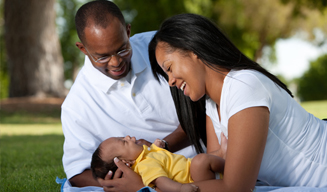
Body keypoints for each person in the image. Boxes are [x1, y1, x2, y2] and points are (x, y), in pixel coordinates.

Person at [146, 13, 327, 191]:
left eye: (169, 68)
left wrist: (163, 188)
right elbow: (212, 170)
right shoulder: (212, 104)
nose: (170, 81)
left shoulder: (244, 86)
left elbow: (235, 187)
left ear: (193, 50)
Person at [61, 1, 201, 188]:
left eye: (122, 49)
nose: (116, 62)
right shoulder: (77, 106)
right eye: (102, 57)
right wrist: (140, 179)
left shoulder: (161, 49)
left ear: (128, 32)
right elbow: (77, 174)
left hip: (205, 160)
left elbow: (202, 111)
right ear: (83, 49)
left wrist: (157, 150)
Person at [91, 136, 224, 192]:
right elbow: (161, 181)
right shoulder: (144, 165)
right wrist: (181, 189)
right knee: (201, 161)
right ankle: (230, 167)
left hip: (191, 171)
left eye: (123, 137)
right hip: (191, 180)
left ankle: (224, 159)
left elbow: (157, 157)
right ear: (126, 162)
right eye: (124, 142)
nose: (129, 137)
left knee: (201, 161)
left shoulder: (145, 154)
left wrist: (157, 146)